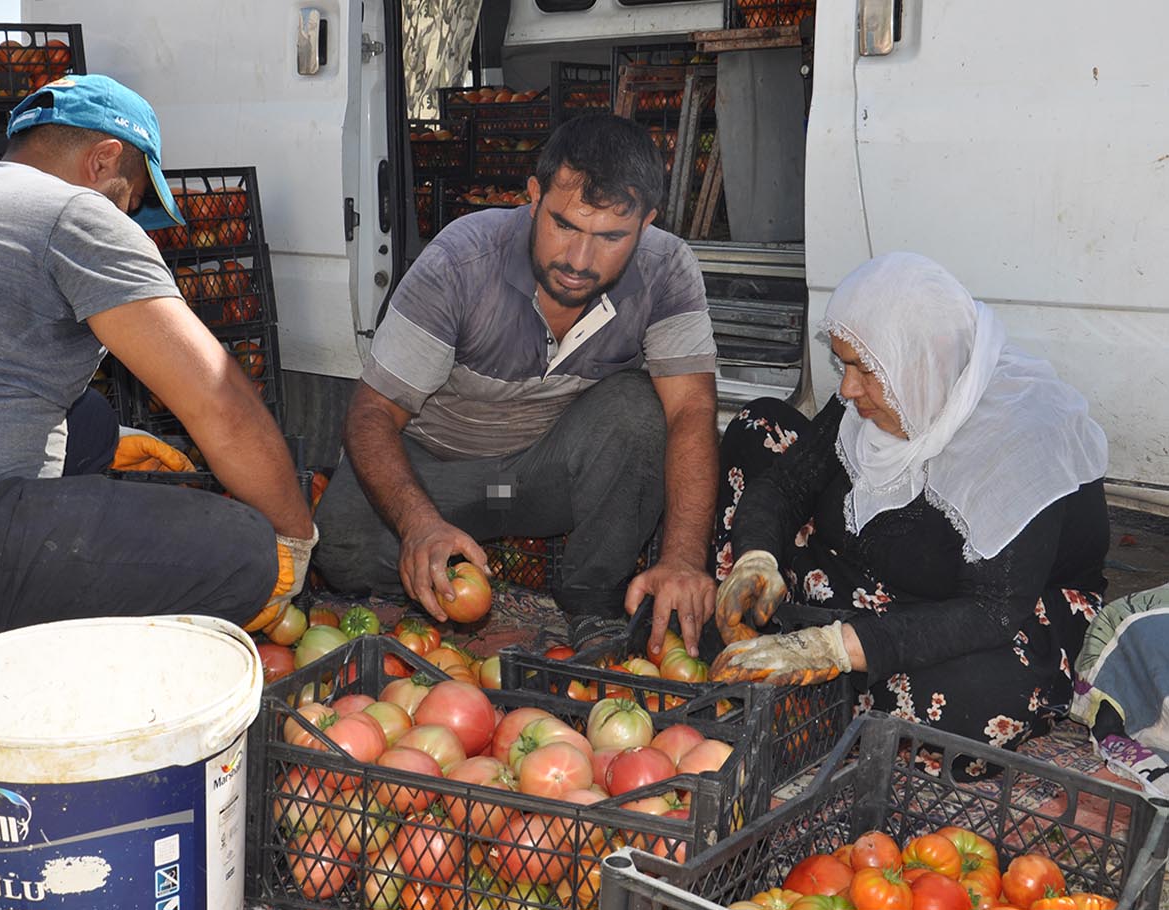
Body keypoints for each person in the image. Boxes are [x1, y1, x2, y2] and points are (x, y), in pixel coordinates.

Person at [0, 75, 314, 766]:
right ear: (102, 162)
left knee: (95, 422)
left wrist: (105, 445)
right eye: (132, 200)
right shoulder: (75, 212)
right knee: (245, 554)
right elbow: (220, 403)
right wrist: (293, 539)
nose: (129, 221)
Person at [313, 113, 721, 653]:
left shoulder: (667, 269)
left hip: (535, 481)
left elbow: (691, 410)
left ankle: (593, 599)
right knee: (341, 547)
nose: (579, 259)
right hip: (443, 476)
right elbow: (370, 415)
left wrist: (684, 559)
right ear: (532, 197)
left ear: (646, 225)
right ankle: (450, 550)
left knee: (641, 407)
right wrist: (419, 525)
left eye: (610, 237)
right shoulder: (461, 262)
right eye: (564, 225)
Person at [708, 251, 1109, 773]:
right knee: (757, 428)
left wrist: (836, 647)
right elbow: (786, 486)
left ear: (921, 363)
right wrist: (755, 556)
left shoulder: (1025, 439)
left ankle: (824, 669)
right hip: (874, 580)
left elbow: (989, 611)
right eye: (843, 365)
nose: (847, 389)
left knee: (973, 699)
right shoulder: (878, 398)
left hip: (992, 612)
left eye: (862, 370)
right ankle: (791, 648)